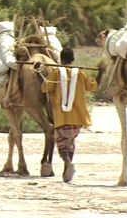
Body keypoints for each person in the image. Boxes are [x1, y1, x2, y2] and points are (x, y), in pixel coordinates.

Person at [41, 47, 106, 183]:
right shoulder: (80, 73)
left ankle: (68, 163)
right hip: (78, 116)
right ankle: (67, 169)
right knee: (70, 143)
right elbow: (93, 87)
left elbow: (44, 87)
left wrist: (41, 72)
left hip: (61, 116)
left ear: (61, 59)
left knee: (61, 144)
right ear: (73, 59)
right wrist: (100, 72)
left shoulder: (56, 73)